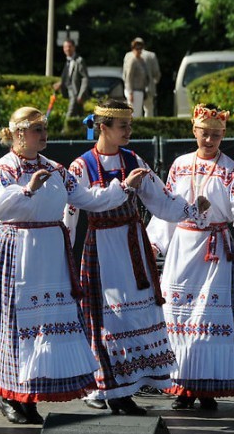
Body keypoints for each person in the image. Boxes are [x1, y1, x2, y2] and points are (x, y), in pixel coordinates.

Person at [0, 106, 147, 425]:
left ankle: (31, 394)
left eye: (45, 129)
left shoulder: (55, 168)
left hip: (50, 252)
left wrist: (124, 187)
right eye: (37, 130)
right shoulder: (4, 168)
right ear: (19, 134)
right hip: (19, 248)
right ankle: (10, 396)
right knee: (16, 322)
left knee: (47, 323)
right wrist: (27, 189)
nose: (44, 135)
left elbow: (89, 199)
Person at [65, 99, 210, 415]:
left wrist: (190, 209)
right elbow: (77, 209)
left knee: (136, 316)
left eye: (130, 125)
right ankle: (111, 390)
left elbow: (161, 199)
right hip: (102, 248)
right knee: (108, 319)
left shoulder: (133, 160)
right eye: (123, 126)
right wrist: (64, 255)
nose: (129, 131)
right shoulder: (82, 166)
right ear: (103, 127)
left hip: (132, 247)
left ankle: (127, 388)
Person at [147, 103, 234, 410]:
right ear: (194, 131)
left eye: (216, 135)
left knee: (210, 320)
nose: (210, 140)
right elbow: (167, 208)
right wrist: (155, 243)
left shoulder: (230, 169)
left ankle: (208, 389)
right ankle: (181, 387)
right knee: (177, 317)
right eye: (205, 133)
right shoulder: (180, 165)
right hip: (182, 250)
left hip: (214, 252)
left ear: (223, 135)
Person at [124, 37, 161, 117]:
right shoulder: (151, 55)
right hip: (142, 89)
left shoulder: (128, 55)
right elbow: (157, 74)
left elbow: (125, 75)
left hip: (137, 89)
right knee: (147, 110)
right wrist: (153, 83)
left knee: (136, 112)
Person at [53, 39, 89, 117]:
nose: (67, 49)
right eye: (65, 47)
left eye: (69, 46)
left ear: (74, 47)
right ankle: (82, 125)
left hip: (76, 93)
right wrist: (60, 83)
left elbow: (85, 78)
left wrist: (81, 94)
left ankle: (65, 125)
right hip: (68, 91)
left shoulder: (79, 61)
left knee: (70, 113)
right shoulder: (67, 61)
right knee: (80, 114)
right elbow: (68, 78)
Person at [122, 38, 149, 118]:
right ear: (133, 49)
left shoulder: (142, 60)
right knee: (134, 114)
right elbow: (129, 77)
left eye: (140, 48)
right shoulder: (132, 60)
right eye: (137, 48)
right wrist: (130, 93)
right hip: (134, 91)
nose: (139, 50)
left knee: (139, 113)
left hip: (140, 90)